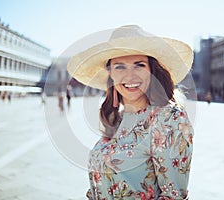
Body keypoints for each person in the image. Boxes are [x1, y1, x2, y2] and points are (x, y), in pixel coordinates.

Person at [67, 25, 194, 200]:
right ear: (110, 73)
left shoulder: (168, 119)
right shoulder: (117, 118)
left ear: (152, 70)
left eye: (139, 65)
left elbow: (173, 196)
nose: (130, 76)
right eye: (120, 67)